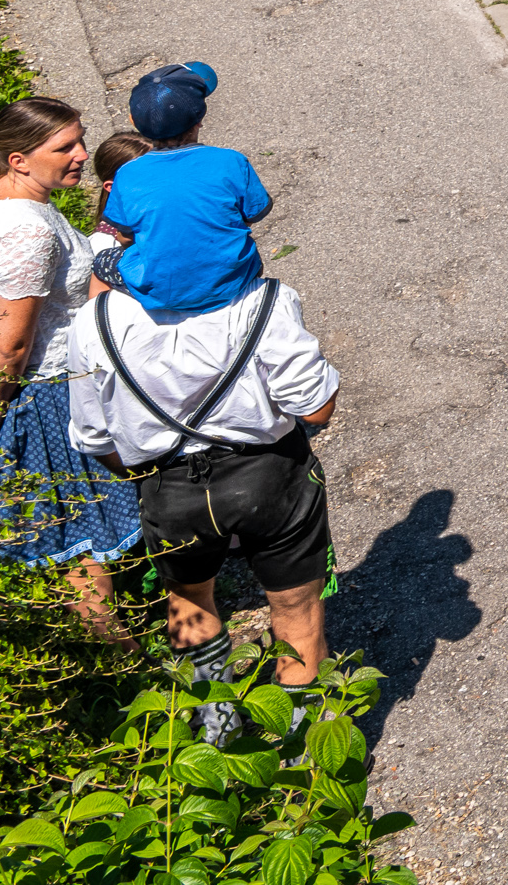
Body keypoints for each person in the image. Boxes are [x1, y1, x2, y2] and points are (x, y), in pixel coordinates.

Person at [71, 258, 342, 744]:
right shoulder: (262, 298)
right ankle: (303, 756)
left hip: (170, 488)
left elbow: (94, 437)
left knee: (189, 600)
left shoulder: (95, 320)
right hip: (269, 475)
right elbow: (316, 408)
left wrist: (149, 475)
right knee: (296, 613)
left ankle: (218, 738)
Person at [0, 99, 142, 633]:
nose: (82, 155)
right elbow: (11, 343)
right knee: (80, 546)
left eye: (80, 140)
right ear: (19, 160)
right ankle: (122, 659)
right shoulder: (25, 233)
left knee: (75, 541)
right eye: (65, 147)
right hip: (48, 398)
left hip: (14, 389)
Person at [96, 63, 273, 311]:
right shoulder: (230, 161)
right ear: (200, 119)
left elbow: (124, 235)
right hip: (232, 283)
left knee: (101, 261)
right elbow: (253, 214)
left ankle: (97, 322)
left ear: (133, 121)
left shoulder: (126, 174)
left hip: (162, 293)